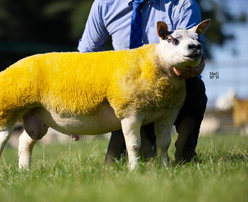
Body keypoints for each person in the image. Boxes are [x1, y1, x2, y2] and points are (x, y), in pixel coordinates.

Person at [77, 0, 207, 163]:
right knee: (113, 165)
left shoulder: (182, 5)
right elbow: (86, 55)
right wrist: (78, 106)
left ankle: (185, 156)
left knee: (194, 87)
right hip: (127, 97)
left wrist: (193, 66)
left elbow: (193, 52)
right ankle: (151, 150)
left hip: (171, 88)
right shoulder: (105, 4)